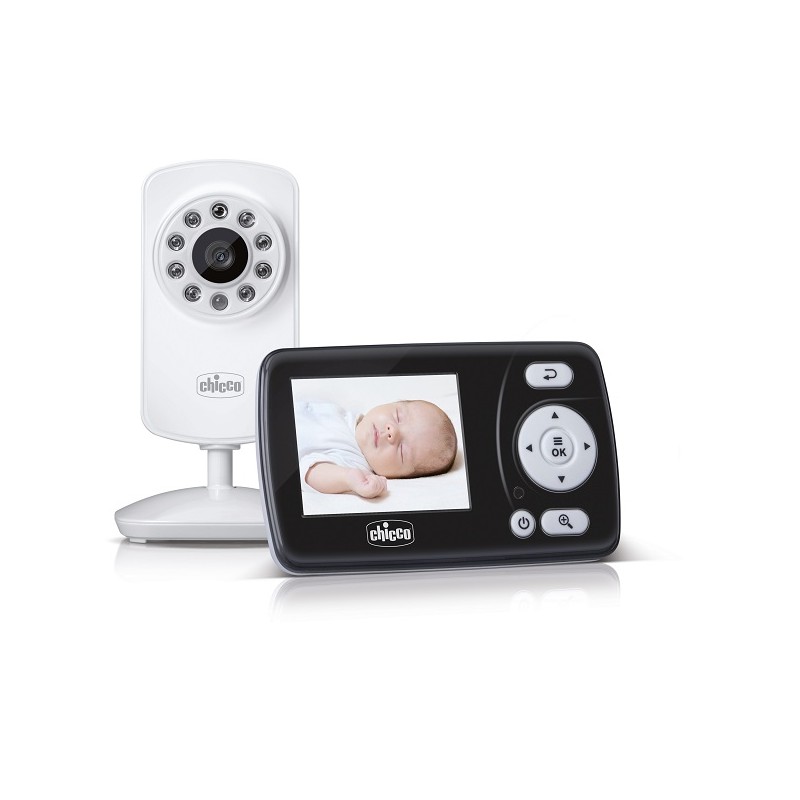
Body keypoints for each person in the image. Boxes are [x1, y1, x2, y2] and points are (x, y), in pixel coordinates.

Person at [295, 399, 457, 498]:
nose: (392, 432)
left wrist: (347, 478)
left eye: (402, 450)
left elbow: (311, 472)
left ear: (398, 477)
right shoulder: (346, 415)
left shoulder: (355, 463)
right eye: (398, 416)